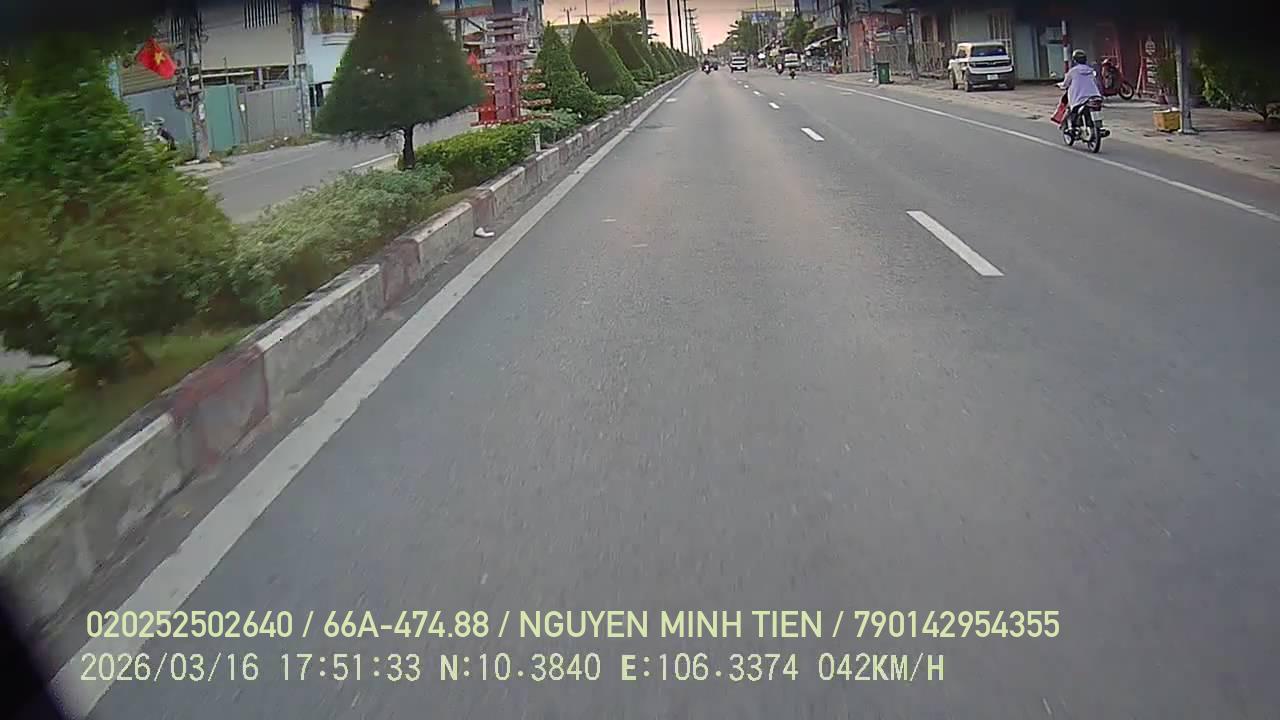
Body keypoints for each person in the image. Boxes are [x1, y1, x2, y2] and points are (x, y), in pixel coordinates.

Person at [1057, 49, 1102, 129]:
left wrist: (1059, 85)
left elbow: (1065, 84)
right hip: (1095, 96)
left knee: (1073, 111)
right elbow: (1096, 82)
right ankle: (1098, 127)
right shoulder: (1091, 71)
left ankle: (1075, 127)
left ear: (1074, 60)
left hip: (1079, 98)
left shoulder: (1072, 71)